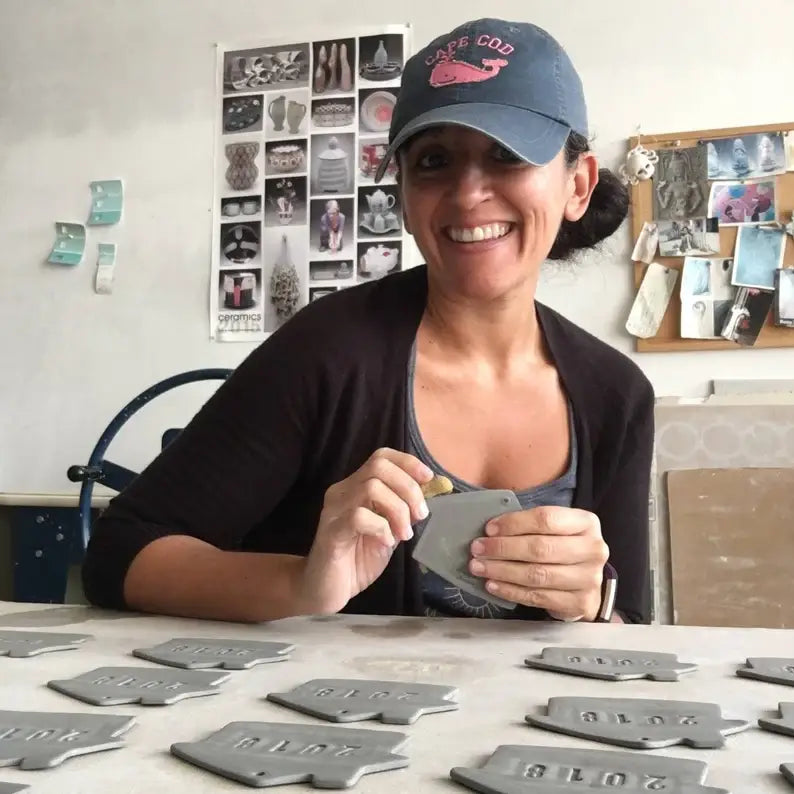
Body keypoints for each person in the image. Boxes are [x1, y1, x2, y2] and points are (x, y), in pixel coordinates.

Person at [82, 18, 655, 625]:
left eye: (507, 156)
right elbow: (120, 553)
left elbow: (629, 626)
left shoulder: (615, 395)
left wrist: (595, 603)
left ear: (578, 185)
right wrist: (303, 584)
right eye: (434, 161)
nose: (467, 195)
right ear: (402, 196)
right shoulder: (324, 354)